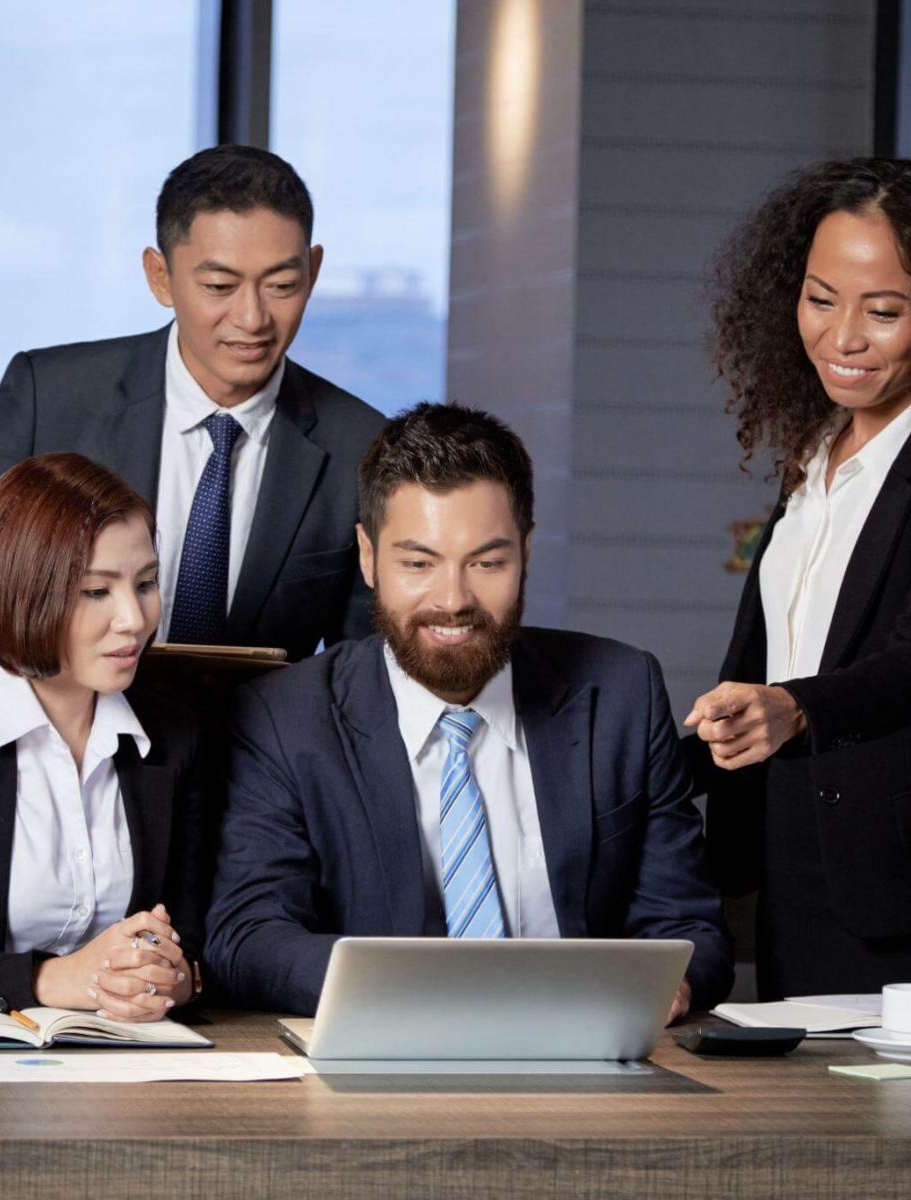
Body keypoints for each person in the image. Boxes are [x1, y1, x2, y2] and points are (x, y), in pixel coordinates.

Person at [205, 403, 733, 1019]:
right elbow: (248, 937)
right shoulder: (283, 717)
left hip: (586, 1068)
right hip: (380, 1067)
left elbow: (690, 927)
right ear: (368, 558)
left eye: (487, 563)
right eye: (418, 563)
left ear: (526, 552)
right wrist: (429, 989)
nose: (453, 600)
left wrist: (669, 982)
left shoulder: (621, 691)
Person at [0, 145, 385, 659]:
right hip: (64, 734)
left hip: (262, 740)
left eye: (282, 285)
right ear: (160, 276)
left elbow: (367, 673)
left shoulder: (360, 445)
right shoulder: (48, 400)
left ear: (312, 272)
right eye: (219, 286)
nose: (252, 318)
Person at [684, 158, 911, 999]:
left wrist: (798, 706)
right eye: (821, 299)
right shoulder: (814, 455)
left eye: (884, 311)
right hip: (788, 859)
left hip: (892, 882)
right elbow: (763, 660)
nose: (843, 337)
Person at [0, 453, 205, 1017]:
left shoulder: (174, 735)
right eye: (97, 592)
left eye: (146, 583)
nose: (135, 619)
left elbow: (193, 944)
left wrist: (174, 975)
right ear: (22, 590)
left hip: (133, 1068)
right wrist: (50, 979)